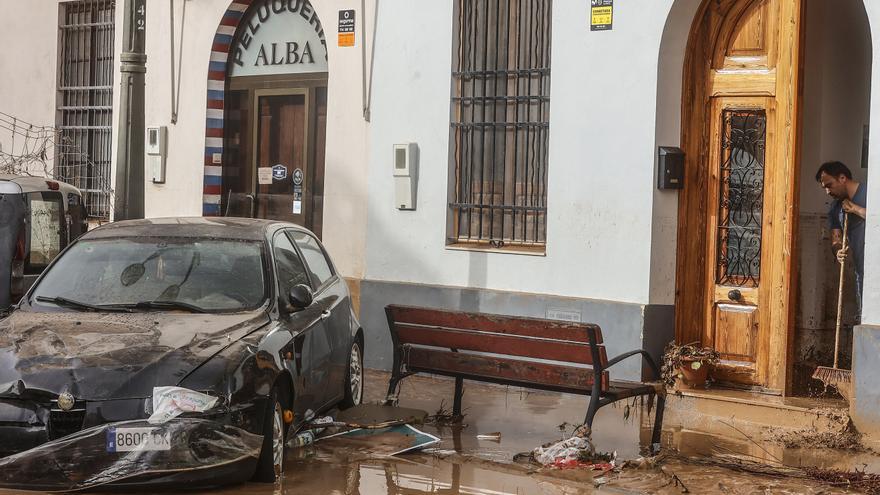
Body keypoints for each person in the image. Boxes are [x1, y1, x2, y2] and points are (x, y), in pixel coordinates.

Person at [816, 161, 867, 316]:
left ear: (843, 178)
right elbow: (836, 240)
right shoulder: (835, 209)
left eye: (829, 185)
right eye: (824, 187)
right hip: (862, 273)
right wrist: (837, 251)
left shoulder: (871, 192)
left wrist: (855, 209)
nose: (827, 191)